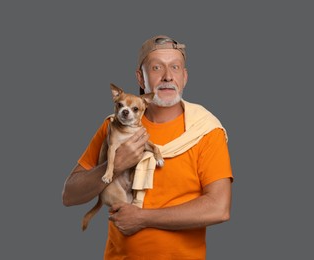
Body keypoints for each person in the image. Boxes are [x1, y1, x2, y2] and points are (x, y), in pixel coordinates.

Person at [62, 35, 234, 259]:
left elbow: (218, 208)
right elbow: (70, 195)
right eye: (156, 68)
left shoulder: (206, 131)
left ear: (184, 77)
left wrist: (142, 217)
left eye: (175, 67)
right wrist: (115, 165)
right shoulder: (112, 126)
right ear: (140, 79)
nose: (167, 76)